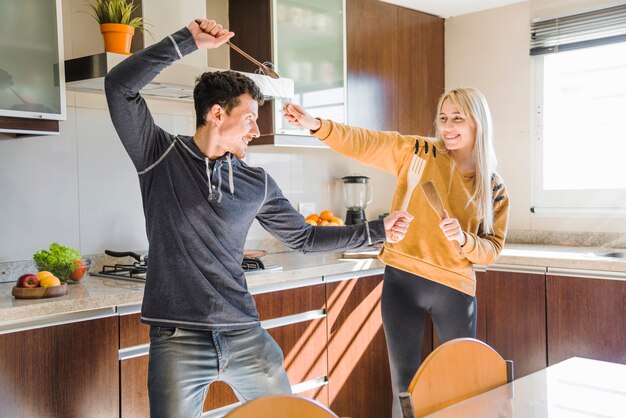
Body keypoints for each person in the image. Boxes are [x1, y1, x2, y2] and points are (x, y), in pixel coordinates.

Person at [104, 18, 413, 418]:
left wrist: (377, 230)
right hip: (177, 337)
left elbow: (303, 238)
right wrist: (187, 41)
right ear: (217, 113)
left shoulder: (257, 182)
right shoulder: (158, 155)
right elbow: (119, 87)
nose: (255, 130)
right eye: (249, 118)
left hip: (244, 333)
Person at [284, 87, 509, 418]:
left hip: (456, 289)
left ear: (478, 123)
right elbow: (367, 142)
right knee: (404, 385)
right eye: (443, 118)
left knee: (461, 383)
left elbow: (492, 249)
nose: (447, 127)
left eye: (457, 119)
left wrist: (464, 240)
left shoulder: (494, 187)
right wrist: (317, 125)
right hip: (402, 283)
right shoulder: (418, 151)